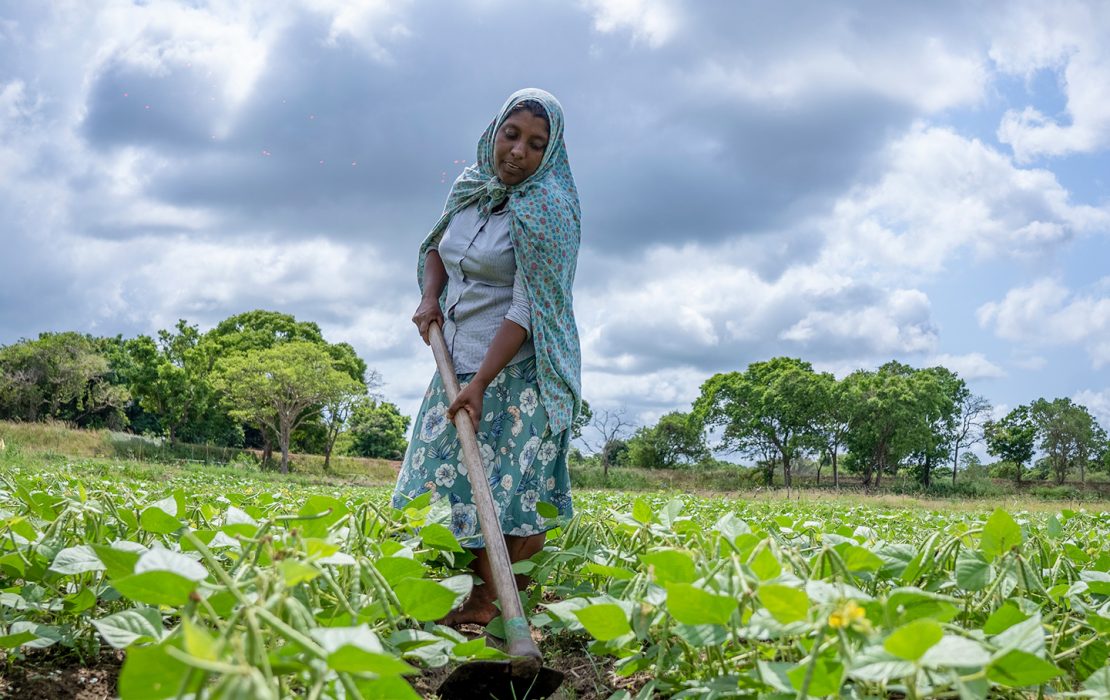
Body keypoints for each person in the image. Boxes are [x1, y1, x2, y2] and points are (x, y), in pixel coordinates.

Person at [392, 88, 581, 626]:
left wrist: (482, 384)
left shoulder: (550, 211)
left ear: (552, 154)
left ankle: (500, 605)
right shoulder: (470, 187)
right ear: (494, 133)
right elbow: (436, 246)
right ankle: (478, 596)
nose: (519, 151)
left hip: (522, 372)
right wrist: (430, 297)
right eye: (512, 135)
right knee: (450, 478)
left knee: (511, 489)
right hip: (456, 358)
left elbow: (526, 309)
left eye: (537, 144)